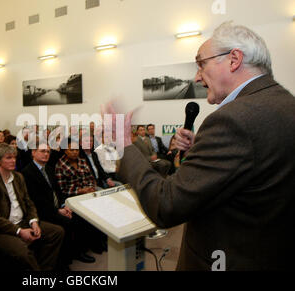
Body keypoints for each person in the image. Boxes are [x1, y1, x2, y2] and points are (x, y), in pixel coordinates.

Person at [112, 21, 295, 270]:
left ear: (234, 59)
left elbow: (166, 205)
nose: (197, 77)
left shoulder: (233, 119)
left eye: (201, 64)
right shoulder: (285, 104)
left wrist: (124, 145)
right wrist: (203, 148)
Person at [0, 143, 64, 271]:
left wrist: (33, 222)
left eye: (14, 157)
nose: (13, 161)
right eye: (8, 158)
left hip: (22, 222)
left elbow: (28, 203)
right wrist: (19, 231)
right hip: (0, 230)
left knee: (57, 232)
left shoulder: (18, 177)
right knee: (22, 251)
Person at [22, 141, 96, 265]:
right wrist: (57, 210)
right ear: (33, 153)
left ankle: (77, 251)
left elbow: (58, 192)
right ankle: (65, 260)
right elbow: (36, 200)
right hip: (42, 211)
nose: (46, 154)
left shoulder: (49, 169)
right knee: (69, 222)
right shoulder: (27, 173)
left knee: (78, 215)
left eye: (48, 152)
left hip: (55, 207)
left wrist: (63, 205)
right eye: (42, 151)